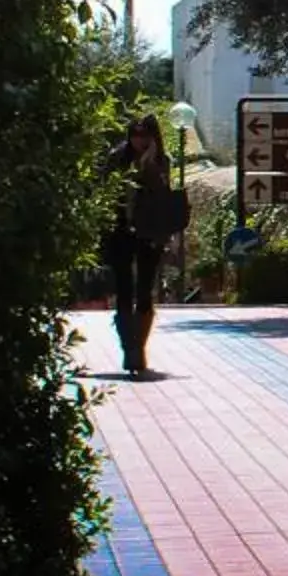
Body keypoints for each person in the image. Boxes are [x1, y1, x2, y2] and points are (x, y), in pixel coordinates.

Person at [99, 111, 180, 377]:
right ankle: (128, 348)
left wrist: (149, 163)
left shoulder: (161, 161)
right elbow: (105, 190)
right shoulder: (117, 158)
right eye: (135, 134)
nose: (139, 140)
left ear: (154, 137)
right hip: (121, 230)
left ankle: (139, 348)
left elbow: (162, 193)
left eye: (145, 135)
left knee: (145, 288)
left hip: (150, 231)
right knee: (124, 287)